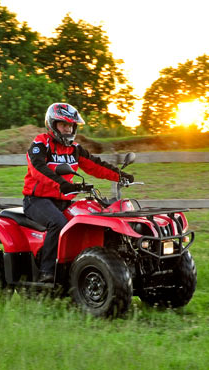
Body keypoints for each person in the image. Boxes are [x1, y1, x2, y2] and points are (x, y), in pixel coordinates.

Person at [22, 103, 134, 283]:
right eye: (63, 124)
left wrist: (120, 176)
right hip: (37, 201)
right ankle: (47, 272)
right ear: (52, 124)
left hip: (64, 201)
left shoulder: (74, 149)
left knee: (90, 219)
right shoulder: (41, 144)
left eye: (70, 125)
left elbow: (95, 165)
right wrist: (61, 184)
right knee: (58, 223)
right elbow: (38, 168)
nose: (67, 129)